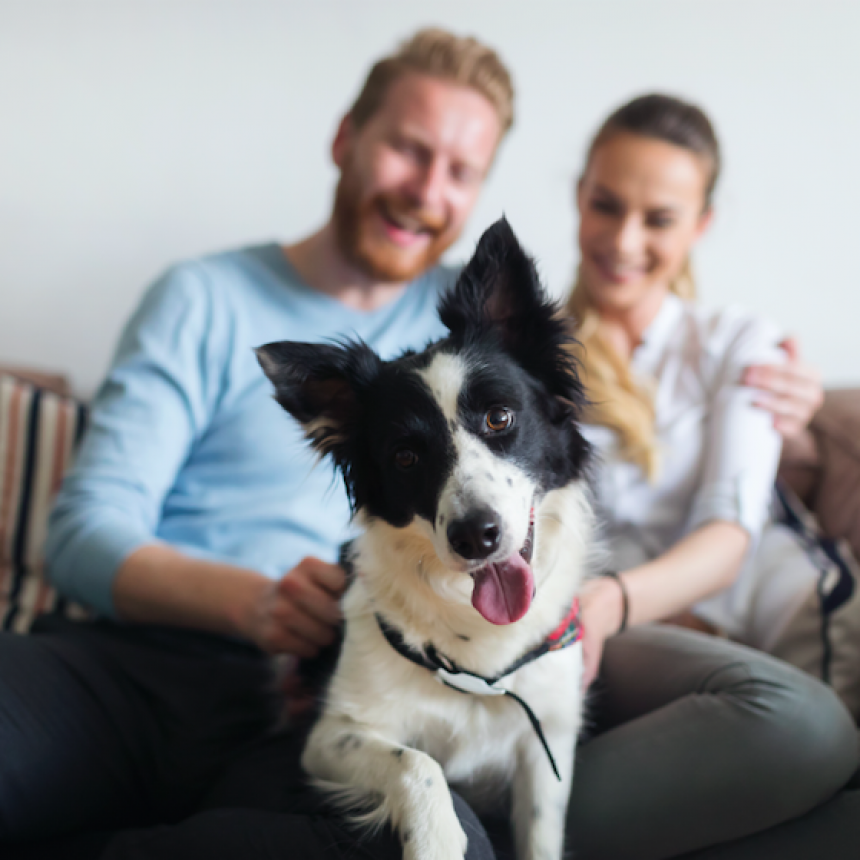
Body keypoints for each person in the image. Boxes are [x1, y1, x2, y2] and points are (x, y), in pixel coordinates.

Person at [0, 28, 840, 860]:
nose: (426, 191)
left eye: (461, 171)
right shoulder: (203, 297)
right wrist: (251, 602)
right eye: (408, 149)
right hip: (141, 664)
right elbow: (79, 532)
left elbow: (575, 372)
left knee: (447, 846)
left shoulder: (474, 327)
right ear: (346, 138)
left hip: (320, 702)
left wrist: (786, 409)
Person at [559, 93, 859, 860]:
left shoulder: (735, 342)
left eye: (659, 219)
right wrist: (611, 610)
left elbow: (729, 537)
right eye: (606, 205)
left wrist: (613, 599)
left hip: (732, 622)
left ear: (701, 225)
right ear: (579, 196)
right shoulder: (527, 360)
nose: (624, 241)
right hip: (625, 644)